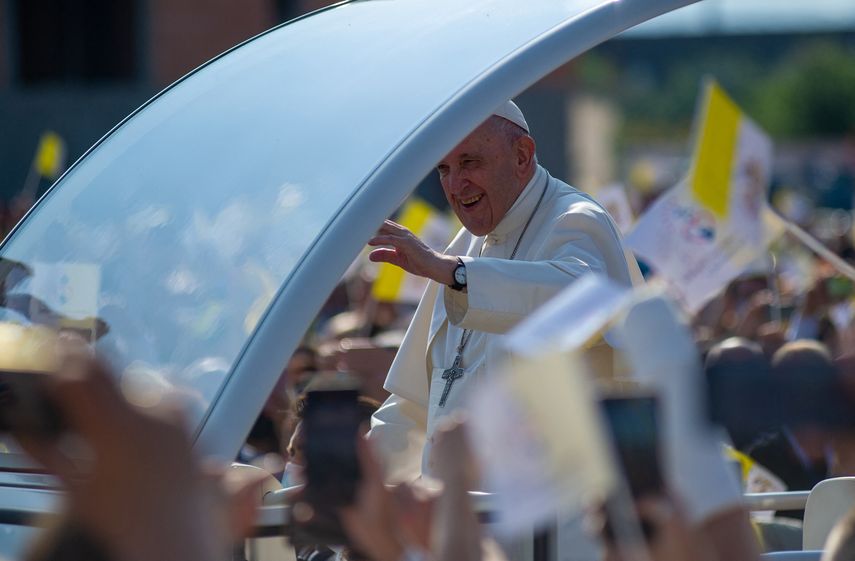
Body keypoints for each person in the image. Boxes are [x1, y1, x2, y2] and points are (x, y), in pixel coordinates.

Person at [366, 99, 642, 481]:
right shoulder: (462, 246)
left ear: (522, 155)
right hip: (463, 517)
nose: (454, 185)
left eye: (470, 163)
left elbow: (584, 300)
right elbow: (414, 404)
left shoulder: (577, 218)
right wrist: (359, 481)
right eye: (444, 168)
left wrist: (457, 274)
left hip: (555, 519)